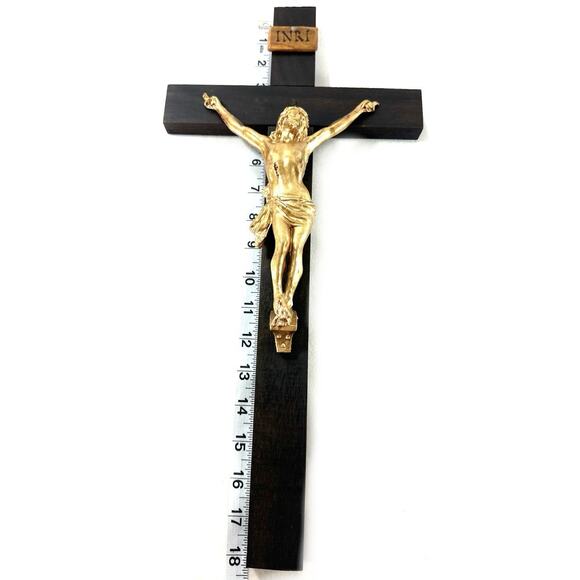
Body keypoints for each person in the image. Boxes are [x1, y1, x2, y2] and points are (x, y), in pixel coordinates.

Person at [202, 93, 379, 326]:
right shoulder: (267, 145)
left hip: (302, 204)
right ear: (282, 120)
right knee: (283, 245)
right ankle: (278, 297)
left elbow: (331, 130)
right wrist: (218, 108)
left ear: (301, 125)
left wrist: (358, 111)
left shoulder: (304, 145)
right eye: (291, 117)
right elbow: (241, 129)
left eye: (298, 118)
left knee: (297, 250)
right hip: (280, 202)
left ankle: (288, 299)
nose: (294, 120)